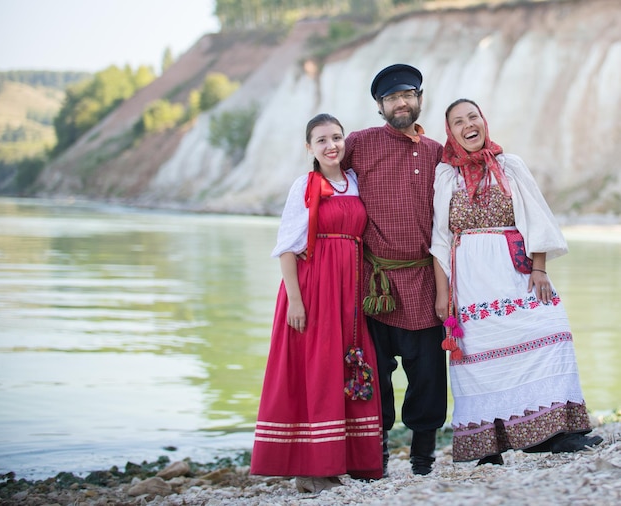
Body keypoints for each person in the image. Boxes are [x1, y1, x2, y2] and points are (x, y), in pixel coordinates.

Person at [430, 98, 603, 466]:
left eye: (472, 117)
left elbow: (537, 219)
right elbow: (440, 239)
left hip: (516, 272)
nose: (467, 125)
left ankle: (557, 433)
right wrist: (443, 295)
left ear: (484, 121)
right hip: (471, 282)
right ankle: (488, 446)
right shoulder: (445, 176)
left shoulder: (509, 166)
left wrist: (539, 269)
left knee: (550, 332)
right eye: (458, 121)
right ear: (450, 132)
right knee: (480, 359)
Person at [250, 113, 384, 493]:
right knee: (315, 370)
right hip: (313, 288)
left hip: (350, 290)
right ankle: (310, 466)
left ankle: (346, 461)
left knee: (347, 367)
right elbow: (287, 248)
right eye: (322, 140)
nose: (331, 146)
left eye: (337, 138)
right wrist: (295, 300)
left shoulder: (355, 182)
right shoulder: (306, 186)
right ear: (309, 147)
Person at [341, 64, 447, 477]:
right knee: (374, 374)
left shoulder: (438, 152)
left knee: (427, 377)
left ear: (419, 99)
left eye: (407, 95)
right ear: (379, 107)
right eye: (391, 98)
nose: (400, 103)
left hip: (423, 280)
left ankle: (423, 461)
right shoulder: (359, 144)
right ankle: (376, 459)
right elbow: (323, 179)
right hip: (373, 284)